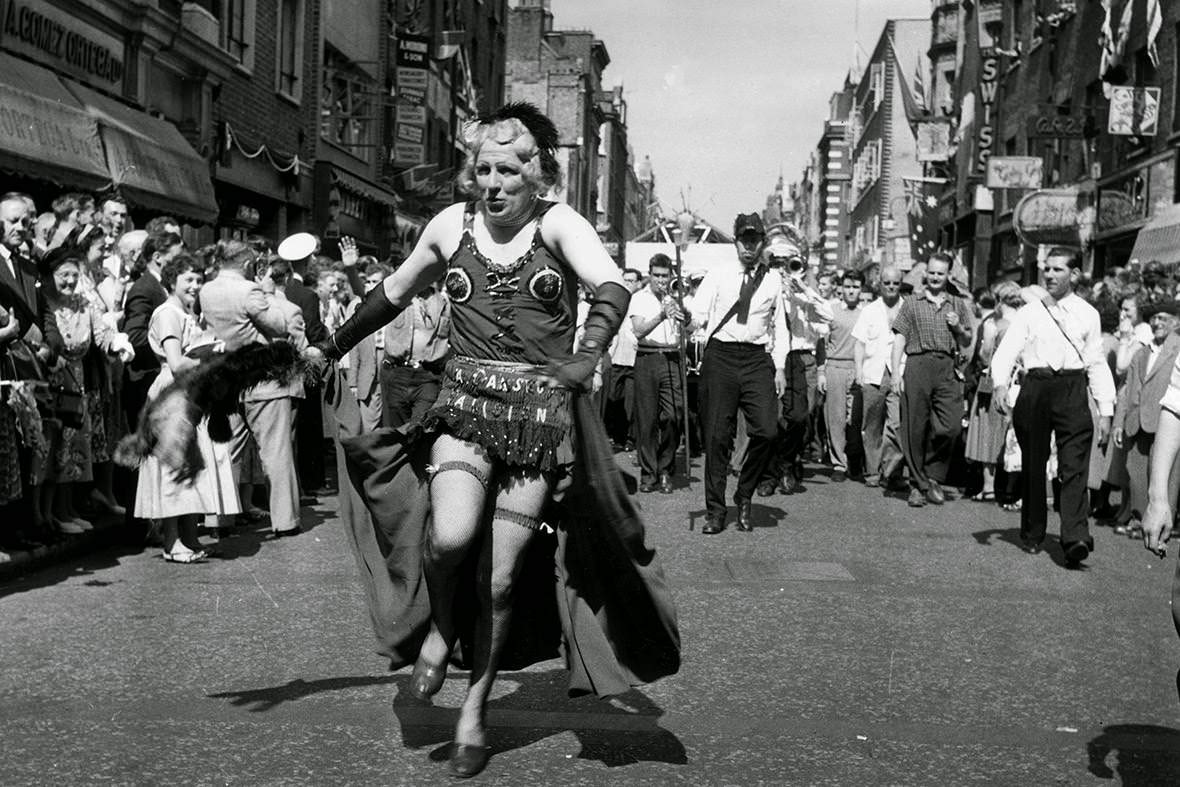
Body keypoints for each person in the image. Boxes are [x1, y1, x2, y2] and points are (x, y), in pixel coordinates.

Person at [308, 102, 678, 778]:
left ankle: (475, 706)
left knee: (502, 577)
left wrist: (586, 353)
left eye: (511, 169)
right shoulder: (450, 226)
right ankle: (444, 629)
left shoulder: (559, 224)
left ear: (540, 177)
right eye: (485, 169)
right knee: (450, 538)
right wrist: (328, 345)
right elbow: (391, 293)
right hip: (464, 404)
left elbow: (611, 284)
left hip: (537, 418)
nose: (496, 182)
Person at [991, 247, 1116, 567]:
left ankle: (1074, 536)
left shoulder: (1088, 313)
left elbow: (1097, 361)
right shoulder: (1030, 312)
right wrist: (1000, 384)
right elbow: (1008, 349)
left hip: (1073, 389)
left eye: (1058, 270)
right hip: (1035, 388)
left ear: (1074, 275)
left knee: (1075, 463)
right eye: (1047, 269)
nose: (1050, 275)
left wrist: (1105, 409)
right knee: (1034, 462)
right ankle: (1033, 531)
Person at [133, 253, 240, 562]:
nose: (195, 286)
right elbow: (177, 362)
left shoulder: (190, 315)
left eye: (198, 279)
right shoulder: (167, 313)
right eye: (188, 280)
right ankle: (172, 542)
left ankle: (190, 537)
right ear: (172, 282)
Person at [691, 212, 788, 534]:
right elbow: (698, 316)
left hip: (756, 358)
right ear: (735, 242)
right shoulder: (718, 275)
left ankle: (744, 494)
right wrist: (683, 317)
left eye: (754, 240)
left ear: (762, 242)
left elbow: (781, 328)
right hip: (721, 356)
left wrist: (781, 367)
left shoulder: (773, 279)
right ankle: (716, 511)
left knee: (767, 431)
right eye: (744, 240)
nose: (749, 246)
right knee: (718, 437)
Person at [198, 240, 300, 538]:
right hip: (262, 379)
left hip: (227, 379)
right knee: (275, 452)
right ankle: (285, 521)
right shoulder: (249, 291)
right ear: (246, 265)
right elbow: (280, 325)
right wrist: (268, 293)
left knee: (227, 451)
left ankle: (220, 518)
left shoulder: (207, 290)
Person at [42, 248, 135, 534]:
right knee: (57, 449)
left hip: (80, 383)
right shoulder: (45, 303)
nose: (70, 281)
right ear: (50, 276)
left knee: (75, 449)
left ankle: (69, 510)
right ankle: (55, 513)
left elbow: (102, 335)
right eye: (63, 275)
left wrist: (117, 344)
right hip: (54, 382)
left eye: (74, 275)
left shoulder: (84, 304)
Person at [891, 251, 974, 507]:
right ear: (925, 273)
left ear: (948, 275)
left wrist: (958, 326)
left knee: (950, 426)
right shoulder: (912, 302)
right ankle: (918, 484)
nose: (936, 277)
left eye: (941, 273)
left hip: (946, 366)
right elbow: (900, 338)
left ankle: (932, 474)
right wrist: (896, 372)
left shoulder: (957, 304)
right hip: (918, 364)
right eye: (932, 272)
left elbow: (967, 340)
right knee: (915, 426)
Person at [1110, 303, 1180, 535]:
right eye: (1153, 318)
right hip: (1136, 421)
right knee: (1136, 474)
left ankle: (1161, 525)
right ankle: (1139, 520)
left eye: (1163, 318)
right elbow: (1128, 388)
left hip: (1165, 421)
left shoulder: (1177, 350)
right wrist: (1119, 422)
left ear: (1175, 321)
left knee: (1166, 474)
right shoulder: (1141, 352)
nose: (1157, 323)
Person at [630, 253, 686, 493]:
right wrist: (662, 315)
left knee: (675, 416)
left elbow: (692, 328)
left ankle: (666, 468)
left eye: (665, 276)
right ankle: (649, 473)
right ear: (649, 275)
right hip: (647, 357)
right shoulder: (638, 298)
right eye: (657, 276)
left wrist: (683, 313)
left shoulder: (677, 297)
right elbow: (639, 330)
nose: (661, 280)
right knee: (647, 420)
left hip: (671, 358)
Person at [963, 280, 1022, 502]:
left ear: (999, 300)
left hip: (995, 381)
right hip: (1019, 382)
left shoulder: (994, 324)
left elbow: (986, 356)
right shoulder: (1024, 321)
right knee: (1013, 432)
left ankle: (989, 486)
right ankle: (1011, 487)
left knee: (988, 430)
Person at [852, 265, 905, 490]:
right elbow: (860, 344)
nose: (891, 287)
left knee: (896, 423)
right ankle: (872, 470)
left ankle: (891, 472)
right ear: (879, 284)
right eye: (887, 283)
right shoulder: (869, 310)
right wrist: (858, 370)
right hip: (872, 373)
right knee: (872, 425)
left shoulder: (908, 309)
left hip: (898, 373)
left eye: (895, 283)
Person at [379, 276, 450, 429]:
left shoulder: (444, 303)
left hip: (428, 376)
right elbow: (363, 296)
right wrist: (351, 269)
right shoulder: (396, 297)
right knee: (397, 433)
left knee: (421, 429)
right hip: (397, 373)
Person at [818, 269, 864, 482]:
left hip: (858, 369)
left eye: (855, 287)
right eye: (847, 287)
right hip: (835, 367)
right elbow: (822, 343)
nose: (851, 291)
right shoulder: (831, 310)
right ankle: (838, 463)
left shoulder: (866, 312)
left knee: (855, 418)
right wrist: (821, 373)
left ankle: (854, 458)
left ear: (861, 289)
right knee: (835, 418)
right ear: (841, 288)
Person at [605, 267, 641, 450]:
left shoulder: (640, 301)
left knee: (631, 402)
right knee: (613, 399)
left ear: (639, 283)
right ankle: (616, 435)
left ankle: (629, 439)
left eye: (631, 280)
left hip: (635, 360)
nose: (627, 284)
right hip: (617, 358)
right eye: (625, 280)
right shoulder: (618, 300)